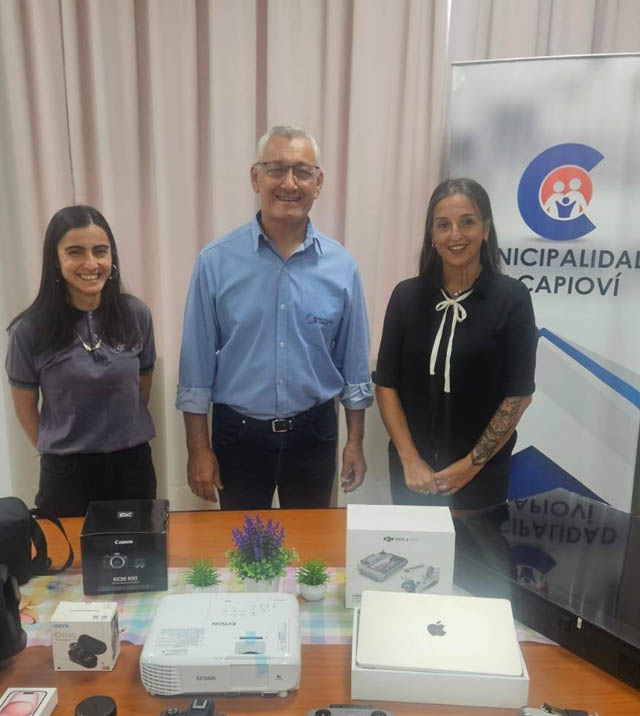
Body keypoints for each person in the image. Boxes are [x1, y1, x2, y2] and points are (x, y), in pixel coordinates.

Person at [177, 126, 373, 510]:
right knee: (242, 545)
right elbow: (195, 370)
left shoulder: (341, 266)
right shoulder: (215, 262)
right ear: (256, 178)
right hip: (239, 437)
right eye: (276, 169)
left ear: (318, 183)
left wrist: (355, 441)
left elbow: (353, 366)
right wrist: (197, 450)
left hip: (314, 434)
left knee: (311, 547)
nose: (289, 183)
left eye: (302, 171)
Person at [374, 178, 537, 510]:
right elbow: (386, 385)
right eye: (443, 225)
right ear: (432, 235)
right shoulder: (406, 297)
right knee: (410, 545)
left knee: (478, 547)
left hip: (482, 476)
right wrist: (410, 460)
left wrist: (469, 466)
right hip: (413, 476)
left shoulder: (512, 299)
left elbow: (518, 395)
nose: (455, 235)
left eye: (467, 222)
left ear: (486, 229)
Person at [5, 205, 157, 517]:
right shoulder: (28, 330)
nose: (91, 263)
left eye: (100, 251)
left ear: (111, 257)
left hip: (132, 469)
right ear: (55, 260)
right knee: (69, 551)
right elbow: (25, 408)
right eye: (75, 252)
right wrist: (60, 446)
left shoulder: (136, 315)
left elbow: (141, 389)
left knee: (139, 546)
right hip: (66, 476)